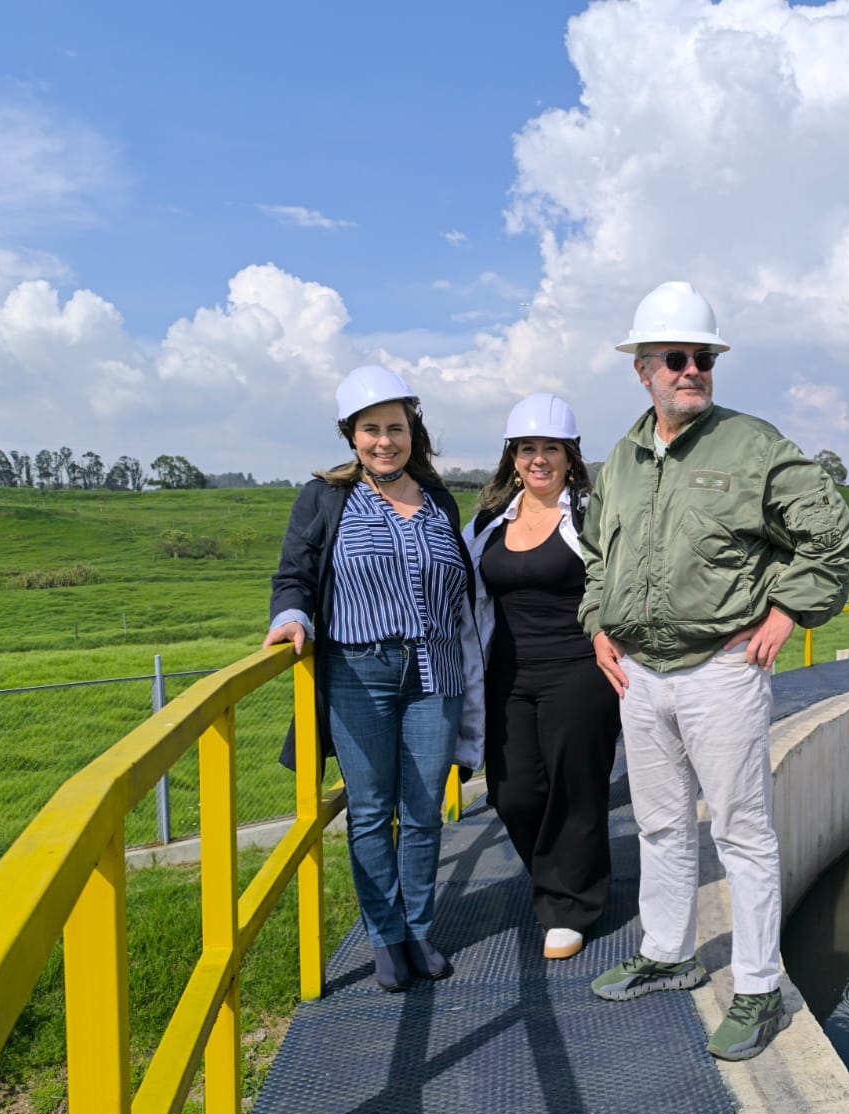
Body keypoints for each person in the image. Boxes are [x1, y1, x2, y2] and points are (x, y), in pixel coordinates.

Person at [580, 281, 849, 1061]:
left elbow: (829, 533)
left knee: (741, 832)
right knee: (662, 824)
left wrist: (789, 610)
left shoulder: (752, 446)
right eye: (675, 357)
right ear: (642, 369)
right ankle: (667, 954)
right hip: (640, 676)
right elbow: (598, 553)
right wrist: (596, 623)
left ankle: (759, 988)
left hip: (721, 669)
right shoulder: (623, 459)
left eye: (703, 357)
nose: (692, 369)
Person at [266, 364, 485, 992]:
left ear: (412, 432)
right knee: (369, 810)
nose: (385, 441)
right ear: (351, 435)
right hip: (358, 673)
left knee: (422, 811)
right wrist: (291, 617)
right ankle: (385, 935)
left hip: (436, 673)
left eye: (396, 428)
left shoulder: (438, 498)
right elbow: (295, 572)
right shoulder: (325, 497)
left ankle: (418, 929)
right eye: (371, 430)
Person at [465, 394, 621, 960]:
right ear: (511, 457)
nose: (538, 459)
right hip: (506, 675)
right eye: (527, 448)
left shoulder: (591, 517)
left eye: (550, 448)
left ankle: (569, 906)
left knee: (574, 787)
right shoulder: (486, 525)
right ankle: (562, 877)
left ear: (570, 456)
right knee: (514, 793)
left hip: (579, 670)